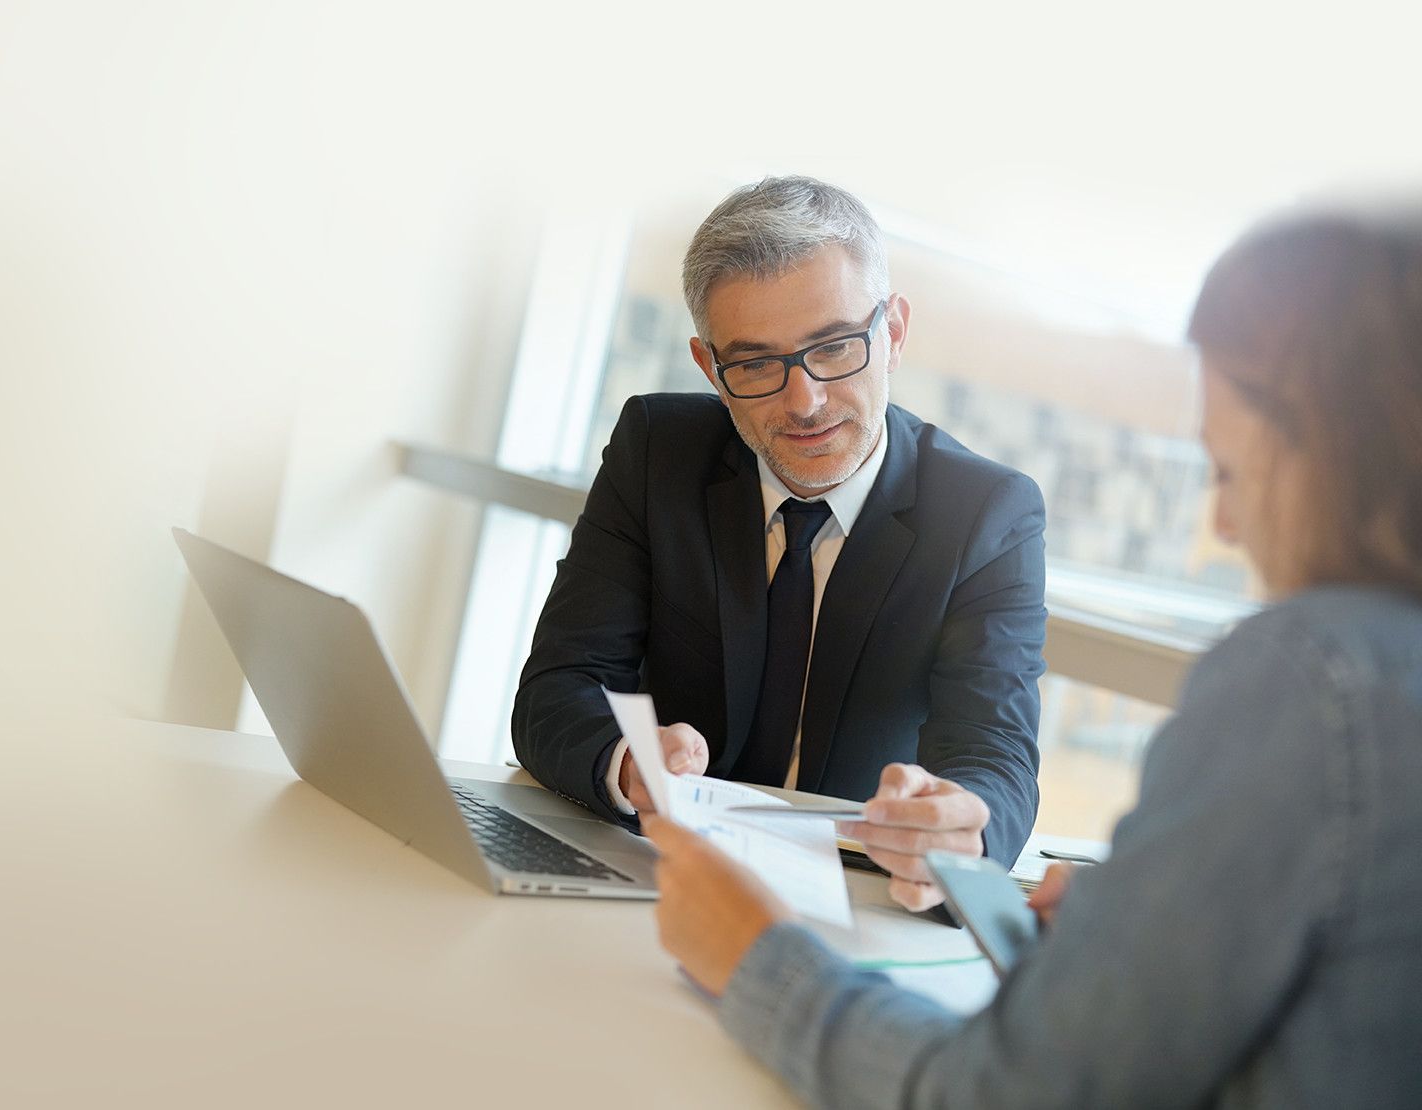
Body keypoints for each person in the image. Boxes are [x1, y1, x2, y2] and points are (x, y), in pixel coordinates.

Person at [646, 205, 1422, 1107]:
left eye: (1230, 473)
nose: (1226, 524)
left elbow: (1002, 1094)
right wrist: (1135, 918)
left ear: (1330, 451)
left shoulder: (1307, 681)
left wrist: (755, 959)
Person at [513, 176, 1047, 905]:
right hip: (654, 876)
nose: (805, 401)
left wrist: (963, 834)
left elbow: (994, 752)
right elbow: (557, 689)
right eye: (757, 364)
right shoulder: (658, 452)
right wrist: (627, 765)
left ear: (891, 333)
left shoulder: (986, 512)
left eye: (833, 349)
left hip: (855, 899)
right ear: (710, 368)